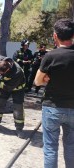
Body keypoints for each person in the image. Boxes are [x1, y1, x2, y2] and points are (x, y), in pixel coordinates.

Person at [34, 18, 74, 168]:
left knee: (50, 148)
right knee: (71, 148)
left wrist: (47, 79)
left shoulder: (51, 56)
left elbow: (37, 82)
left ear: (55, 36)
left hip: (52, 108)